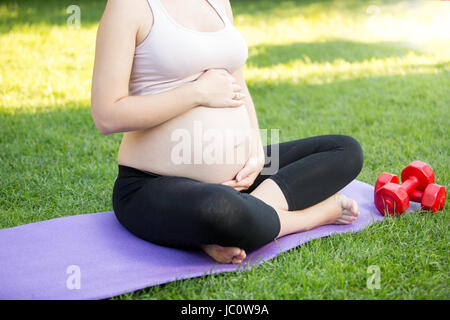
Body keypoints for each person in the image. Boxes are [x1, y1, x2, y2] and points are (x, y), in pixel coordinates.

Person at [90, 0, 364, 264]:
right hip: (152, 184)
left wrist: (255, 149)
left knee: (346, 150)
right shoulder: (129, 5)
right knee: (221, 210)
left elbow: (237, 82)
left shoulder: (218, 1)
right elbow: (107, 115)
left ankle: (238, 218)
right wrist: (196, 93)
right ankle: (311, 217)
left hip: (241, 177)